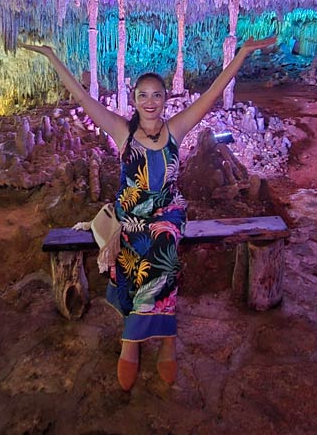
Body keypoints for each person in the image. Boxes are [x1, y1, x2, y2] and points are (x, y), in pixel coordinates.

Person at [20, 35, 276, 390]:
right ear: (134, 98)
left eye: (157, 95)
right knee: (133, 245)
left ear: (166, 98)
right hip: (130, 214)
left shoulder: (176, 129)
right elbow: (82, 96)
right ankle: (136, 339)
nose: (150, 101)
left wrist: (242, 54)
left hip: (167, 213)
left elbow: (214, 91)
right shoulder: (121, 131)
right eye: (143, 95)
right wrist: (51, 56)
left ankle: (156, 340)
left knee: (163, 246)